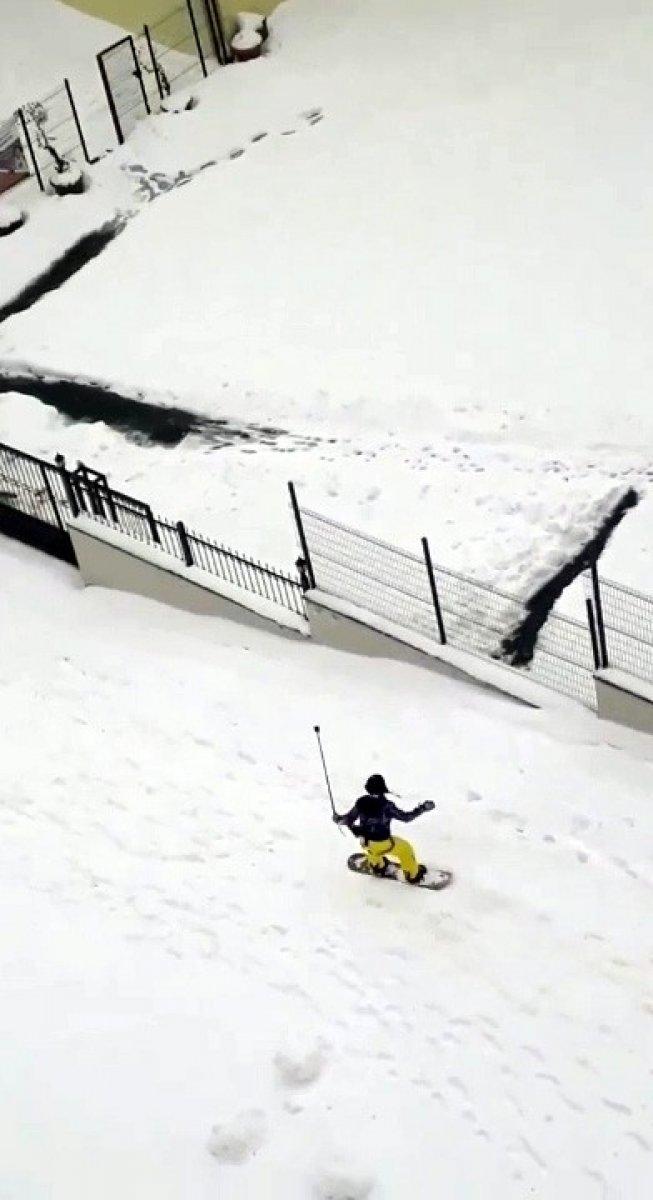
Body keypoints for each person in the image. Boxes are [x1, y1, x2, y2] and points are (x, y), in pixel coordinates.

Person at [334, 774, 434, 883]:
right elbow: (406, 817)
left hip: (365, 842)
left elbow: (348, 819)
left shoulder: (361, 802)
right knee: (405, 848)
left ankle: (377, 866)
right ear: (383, 789)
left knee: (373, 851)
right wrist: (422, 808)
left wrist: (339, 819)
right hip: (383, 843)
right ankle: (413, 875)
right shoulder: (387, 806)